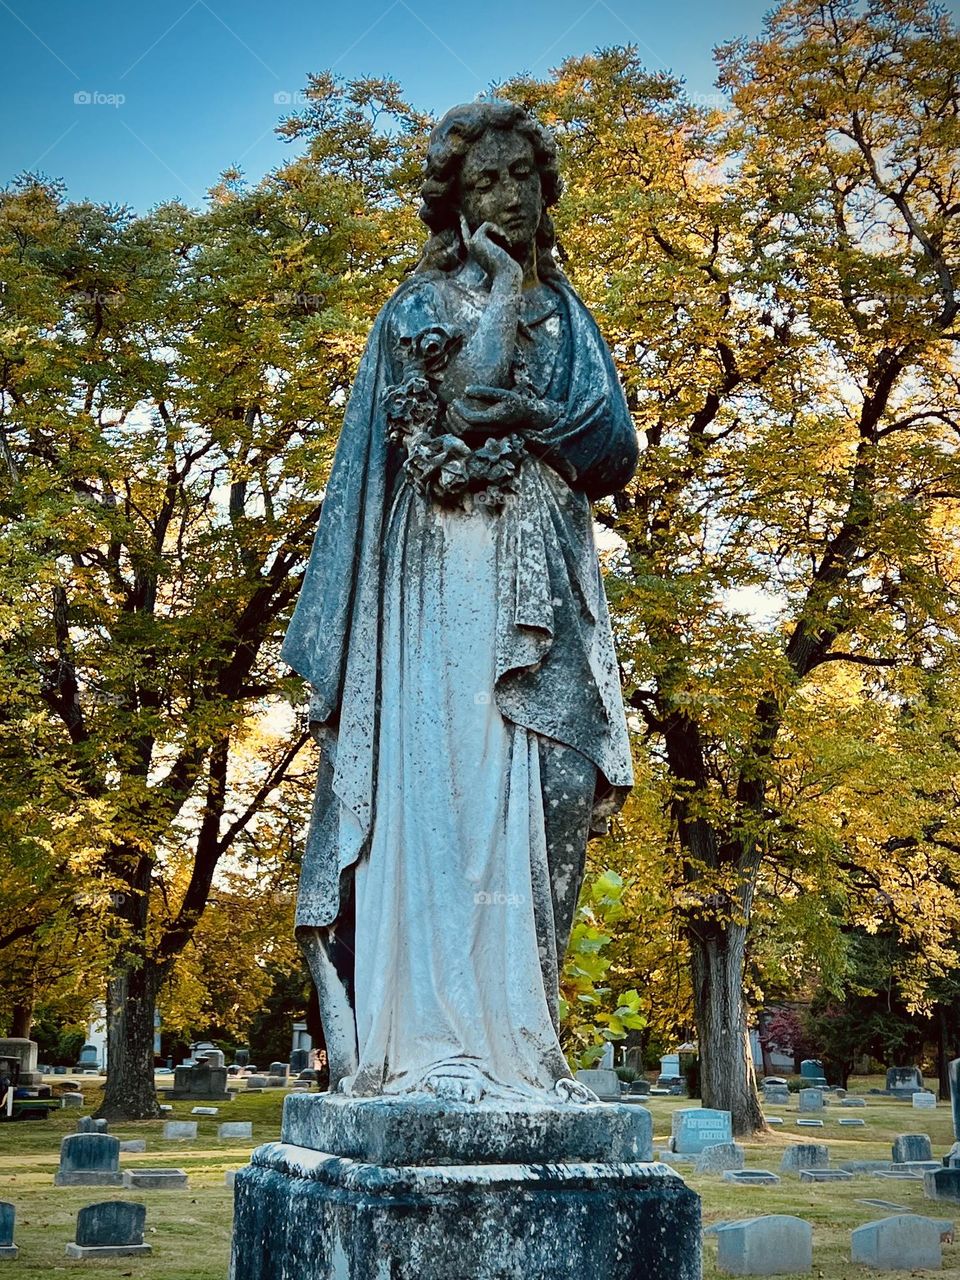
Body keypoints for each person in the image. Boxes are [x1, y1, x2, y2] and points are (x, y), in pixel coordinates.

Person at [283, 101, 638, 1105]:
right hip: (436, 581)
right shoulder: (418, 309)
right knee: (441, 787)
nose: (508, 194)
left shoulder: (570, 315)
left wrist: (526, 389)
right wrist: (500, 305)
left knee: (556, 784)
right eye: (485, 181)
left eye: (522, 176)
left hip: (545, 574)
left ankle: (524, 1045)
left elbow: (611, 447)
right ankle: (434, 1038)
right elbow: (448, 420)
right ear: (456, 200)